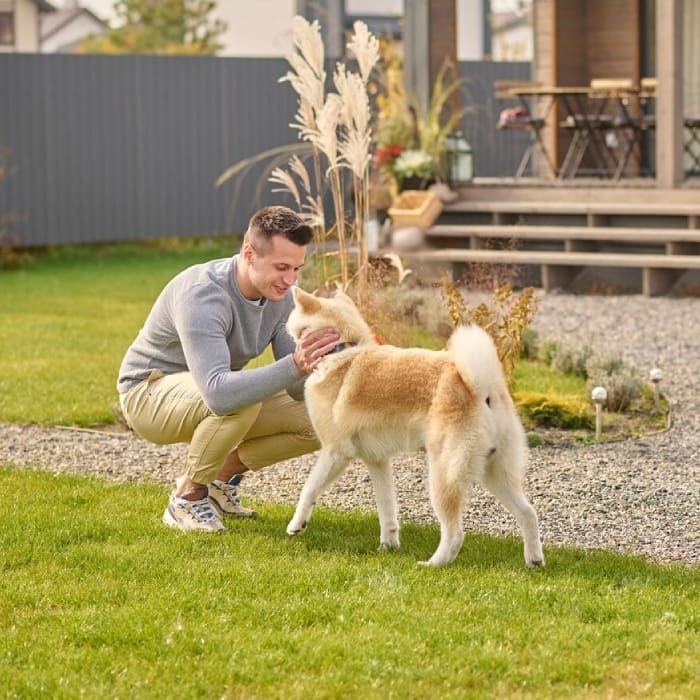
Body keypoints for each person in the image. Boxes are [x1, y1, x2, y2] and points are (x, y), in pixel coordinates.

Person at [117, 206, 339, 532]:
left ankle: (220, 483)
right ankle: (186, 498)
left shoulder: (282, 298)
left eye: (297, 268)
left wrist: (323, 360)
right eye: (281, 267)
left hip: (210, 393)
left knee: (325, 416)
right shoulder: (203, 294)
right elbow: (220, 395)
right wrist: (295, 363)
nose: (291, 280)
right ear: (249, 254)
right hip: (148, 393)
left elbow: (295, 389)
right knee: (239, 400)